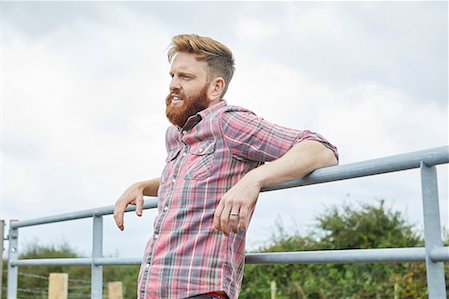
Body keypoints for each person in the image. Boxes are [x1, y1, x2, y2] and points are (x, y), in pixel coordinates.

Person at [114, 34, 338, 299]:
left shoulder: (229, 123)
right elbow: (191, 179)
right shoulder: (175, 135)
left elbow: (321, 150)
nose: (173, 84)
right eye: (172, 76)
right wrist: (142, 186)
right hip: (155, 289)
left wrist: (253, 179)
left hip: (200, 291)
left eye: (185, 77)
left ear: (215, 87)